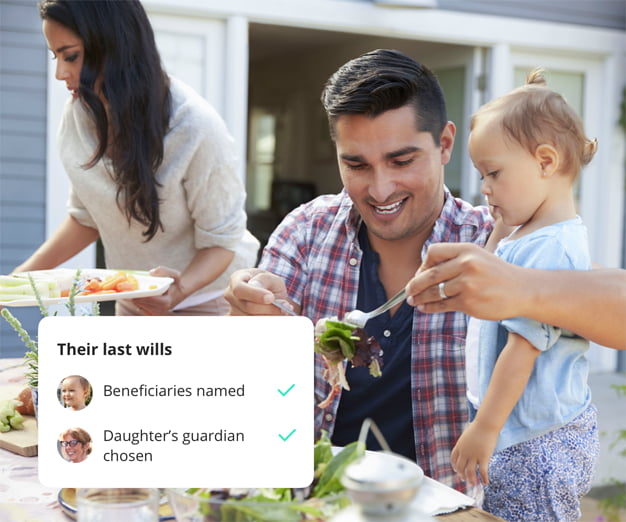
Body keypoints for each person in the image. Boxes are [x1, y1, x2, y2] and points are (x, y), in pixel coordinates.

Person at [227, 48, 495, 492]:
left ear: (445, 144)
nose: (380, 188)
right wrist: (249, 312)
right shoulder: (306, 230)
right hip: (317, 501)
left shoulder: (492, 243)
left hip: (447, 507)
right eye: (356, 165)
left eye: (401, 161)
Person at [13, 0, 258, 316]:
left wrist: (178, 291)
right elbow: (86, 217)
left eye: (70, 56)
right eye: (56, 56)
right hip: (135, 295)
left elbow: (222, 241)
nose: (61, 73)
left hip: (208, 300)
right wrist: (19, 279)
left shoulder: (194, 125)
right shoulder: (78, 117)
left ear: (114, 46)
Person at [449, 70, 599, 521]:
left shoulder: (552, 247)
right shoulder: (528, 235)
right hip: (521, 428)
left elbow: (522, 348)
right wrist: (498, 227)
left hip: (533, 441)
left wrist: (484, 427)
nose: (484, 188)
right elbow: (493, 269)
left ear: (546, 162)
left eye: (493, 173)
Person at [405, 242, 626, 350]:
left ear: (444, 149)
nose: (380, 190)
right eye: (367, 166)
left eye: (403, 162)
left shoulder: (510, 239)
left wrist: (522, 288)